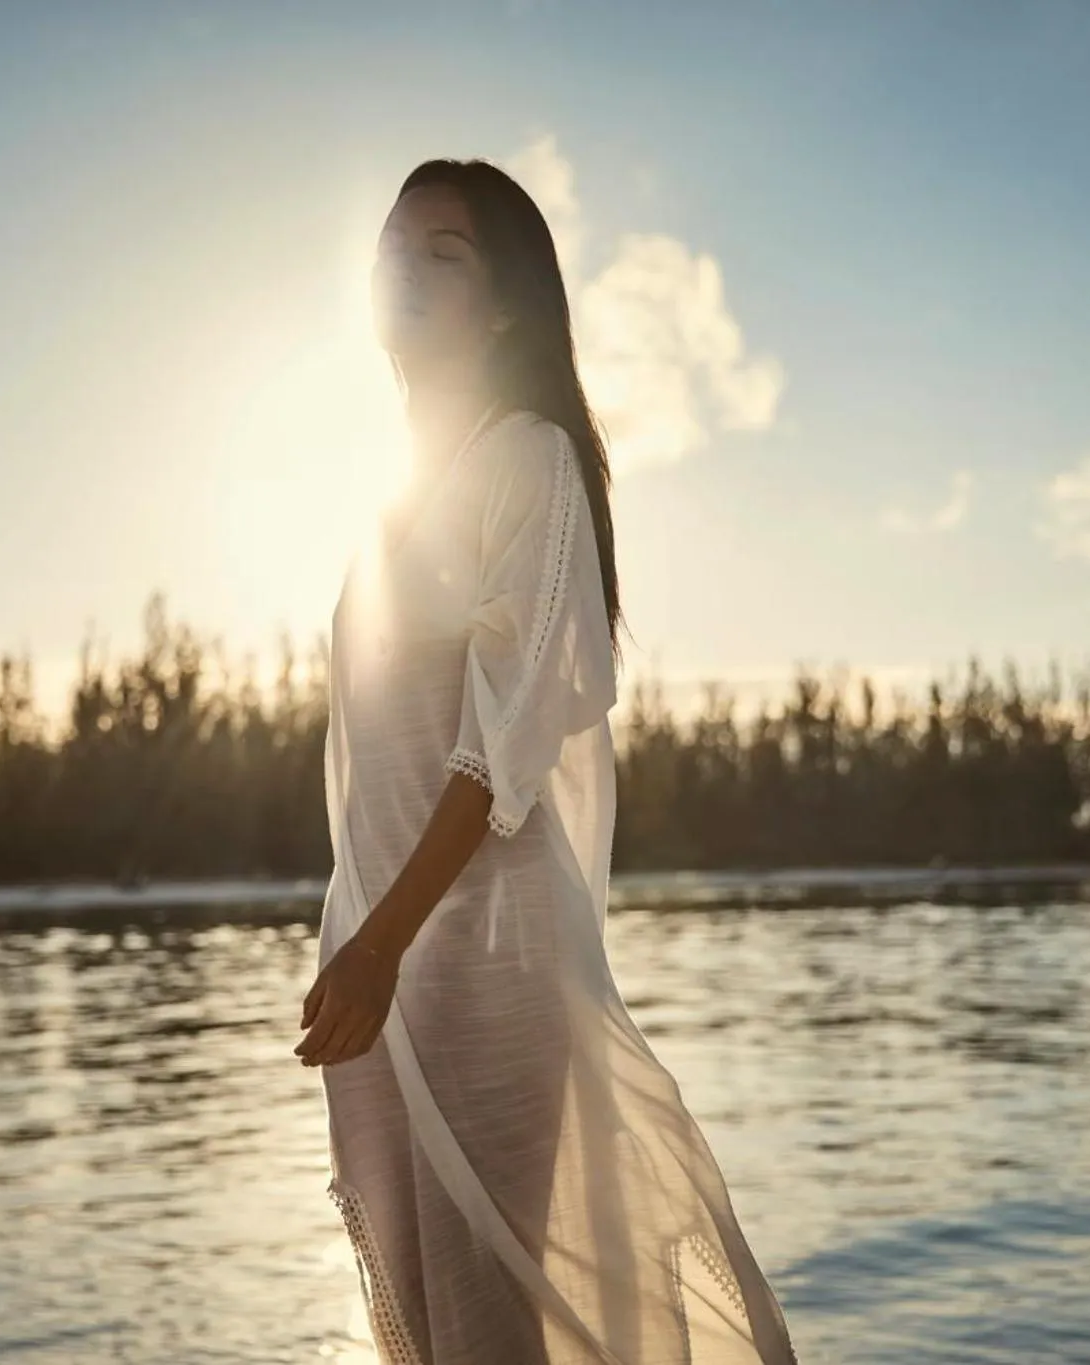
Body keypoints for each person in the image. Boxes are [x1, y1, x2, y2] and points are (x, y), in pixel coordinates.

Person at [295, 157, 797, 1365]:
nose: (400, 269)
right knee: (426, 1312)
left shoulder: (523, 459)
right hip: (383, 961)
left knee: (503, 1313)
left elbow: (498, 749)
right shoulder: (390, 496)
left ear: (505, 301)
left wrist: (381, 942)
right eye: (389, 246)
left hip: (479, 958)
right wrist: (357, 942)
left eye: (441, 253)